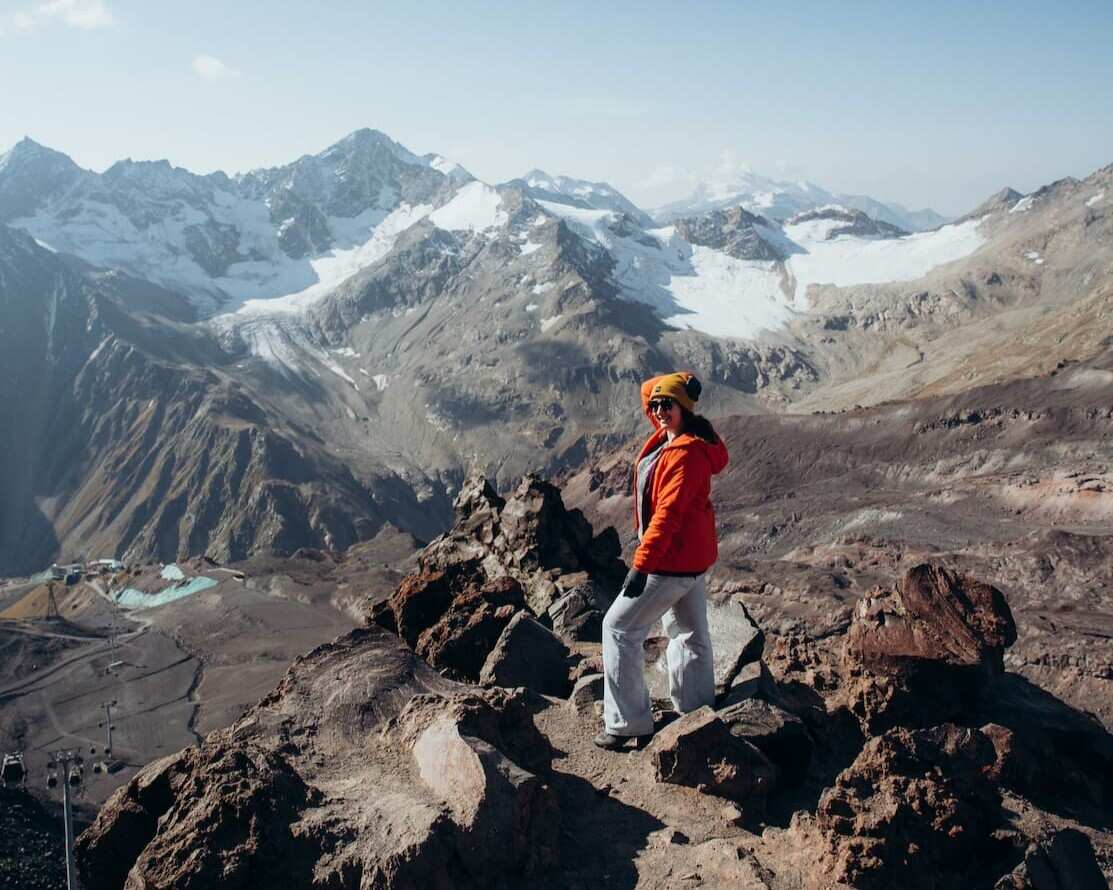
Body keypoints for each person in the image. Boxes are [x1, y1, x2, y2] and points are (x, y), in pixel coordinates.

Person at [595, 371, 729, 750]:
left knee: (619, 628)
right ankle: (697, 712)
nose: (657, 410)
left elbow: (667, 515)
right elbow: (646, 391)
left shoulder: (686, 454)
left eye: (666, 405)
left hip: (669, 561)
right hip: (690, 559)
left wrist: (642, 565)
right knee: (690, 634)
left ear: (683, 409)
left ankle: (626, 724)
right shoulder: (680, 440)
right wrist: (680, 382)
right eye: (655, 405)